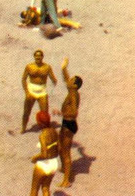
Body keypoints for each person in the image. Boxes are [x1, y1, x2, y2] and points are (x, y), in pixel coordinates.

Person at [58, 58, 82, 188]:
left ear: (75, 85)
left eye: (71, 80)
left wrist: (60, 113)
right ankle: (64, 169)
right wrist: (64, 68)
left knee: (66, 152)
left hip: (69, 124)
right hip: (65, 123)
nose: (69, 80)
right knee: (61, 148)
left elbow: (74, 113)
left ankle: (66, 180)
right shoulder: (72, 90)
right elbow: (66, 79)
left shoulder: (73, 95)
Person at [21, 50, 57, 133]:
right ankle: (23, 127)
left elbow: (53, 78)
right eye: (36, 56)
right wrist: (26, 91)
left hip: (42, 91)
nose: (38, 57)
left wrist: (54, 81)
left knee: (45, 113)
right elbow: (23, 79)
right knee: (27, 111)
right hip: (31, 90)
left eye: (39, 56)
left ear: (42, 57)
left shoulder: (47, 67)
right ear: (34, 56)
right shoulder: (29, 66)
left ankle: (46, 130)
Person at [29, 111, 59, 196]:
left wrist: (35, 158)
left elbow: (44, 154)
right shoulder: (54, 131)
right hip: (54, 164)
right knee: (45, 188)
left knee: (34, 190)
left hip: (44, 165)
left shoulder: (42, 135)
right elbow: (59, 148)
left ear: (39, 123)